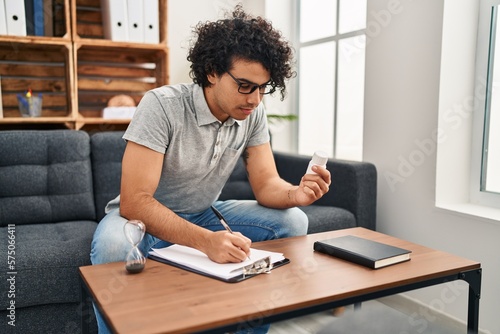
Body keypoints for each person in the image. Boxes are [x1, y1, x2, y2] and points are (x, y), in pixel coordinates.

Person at [90, 5, 331, 334]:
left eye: (263, 87)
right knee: (113, 247)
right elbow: (135, 201)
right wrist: (207, 242)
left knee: (293, 220)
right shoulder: (162, 106)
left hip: (203, 212)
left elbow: (266, 185)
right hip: (139, 220)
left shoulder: (252, 114)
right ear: (212, 71)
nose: (255, 100)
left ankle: (246, 326)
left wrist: (296, 193)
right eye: (245, 85)